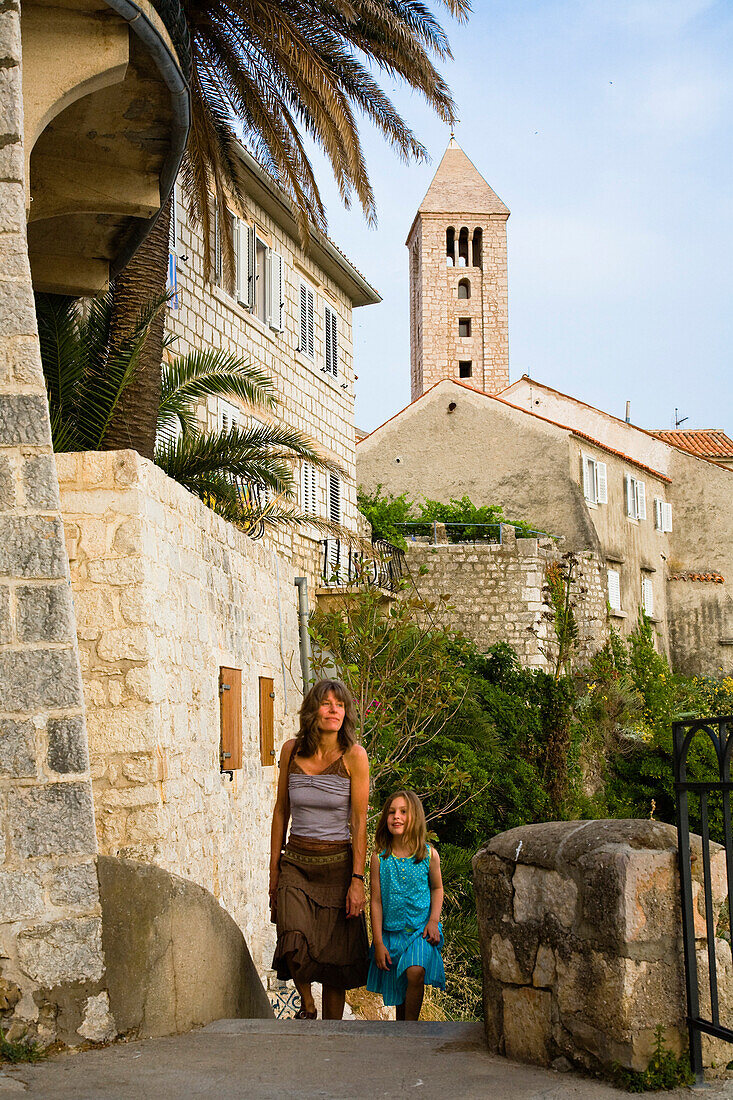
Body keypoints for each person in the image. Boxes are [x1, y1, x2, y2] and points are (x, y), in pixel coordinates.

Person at [270, 679, 369, 1020]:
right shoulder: (291, 751)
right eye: (326, 703)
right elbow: (281, 812)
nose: (333, 710)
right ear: (313, 710)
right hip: (296, 864)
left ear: (346, 713)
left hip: (338, 868)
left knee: (334, 960)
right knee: (293, 935)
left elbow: (359, 823)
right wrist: (274, 872)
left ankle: (330, 1033)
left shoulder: (354, 757)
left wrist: (358, 880)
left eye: (339, 705)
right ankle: (306, 1005)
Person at [366, 789, 445, 1020]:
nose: (396, 817)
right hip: (391, 935)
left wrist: (433, 920)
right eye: (391, 812)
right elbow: (376, 902)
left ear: (415, 818)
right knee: (401, 991)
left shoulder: (428, 855)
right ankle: (402, 1030)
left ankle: (411, 1030)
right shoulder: (379, 858)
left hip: (421, 932)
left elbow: (437, 888)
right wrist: (378, 942)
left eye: (403, 812)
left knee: (415, 972)